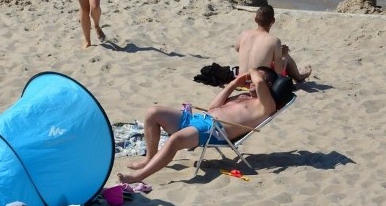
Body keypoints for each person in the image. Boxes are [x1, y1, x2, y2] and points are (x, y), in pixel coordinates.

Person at [118, 67, 286, 184]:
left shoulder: (265, 106)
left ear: (268, 85)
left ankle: (139, 176)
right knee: (152, 112)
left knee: (175, 140)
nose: (251, 81)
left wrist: (252, 70)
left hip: (213, 131)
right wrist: (233, 85)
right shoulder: (242, 96)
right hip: (199, 119)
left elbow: (261, 83)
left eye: (256, 78)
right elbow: (213, 107)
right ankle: (149, 158)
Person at [236, 5, 311, 83]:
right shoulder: (274, 41)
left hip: (241, 81)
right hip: (259, 83)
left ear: (255, 19)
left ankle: (299, 75)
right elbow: (279, 71)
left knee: (272, 59)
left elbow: (237, 48)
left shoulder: (244, 34)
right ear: (273, 21)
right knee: (286, 58)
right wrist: (284, 55)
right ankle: (299, 77)